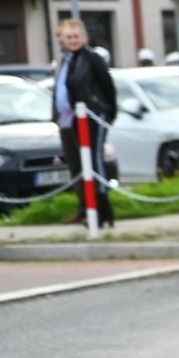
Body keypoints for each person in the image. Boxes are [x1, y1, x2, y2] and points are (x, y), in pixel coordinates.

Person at [54, 18, 117, 227]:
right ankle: (86, 208)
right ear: (62, 40)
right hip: (70, 119)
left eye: (76, 36)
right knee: (78, 164)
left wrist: (108, 112)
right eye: (69, 37)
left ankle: (102, 210)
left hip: (92, 116)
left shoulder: (92, 59)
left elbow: (107, 86)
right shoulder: (65, 60)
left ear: (84, 37)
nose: (73, 40)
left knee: (94, 161)